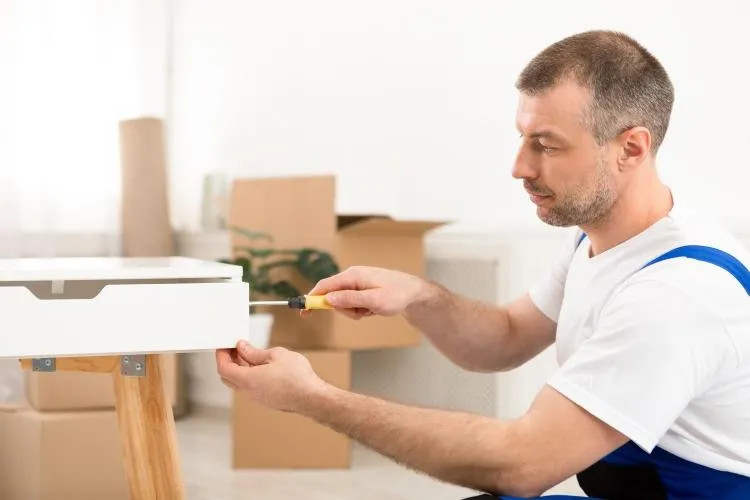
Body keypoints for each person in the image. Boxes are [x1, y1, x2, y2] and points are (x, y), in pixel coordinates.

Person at [216, 29, 750, 499]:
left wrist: (315, 399)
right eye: (522, 138)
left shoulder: (678, 292)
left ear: (631, 148)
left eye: (545, 145)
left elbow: (521, 465)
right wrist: (417, 295)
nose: (519, 167)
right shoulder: (599, 243)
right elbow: (506, 337)